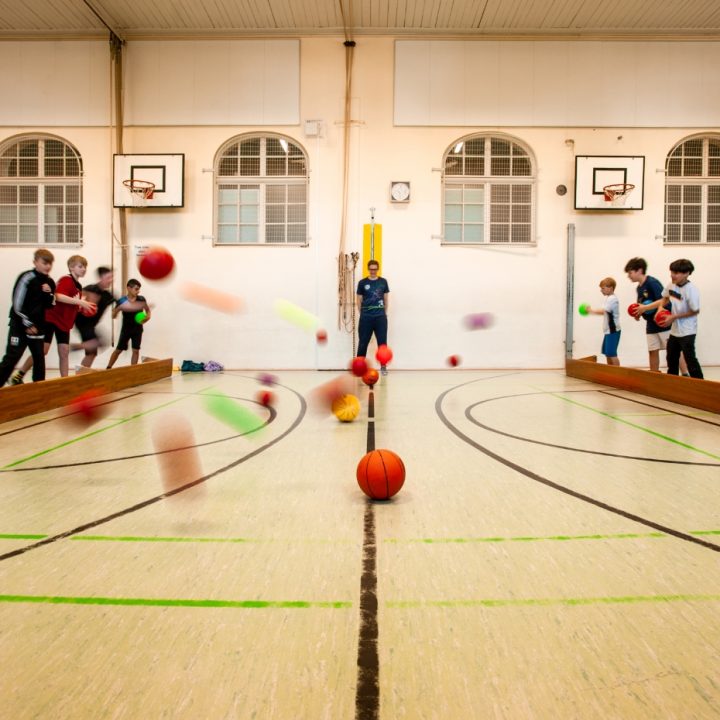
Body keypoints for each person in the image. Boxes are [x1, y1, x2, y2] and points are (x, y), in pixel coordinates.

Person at [11, 254, 95, 382]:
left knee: (64, 352)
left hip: (64, 323)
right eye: (80, 266)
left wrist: (82, 308)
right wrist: (80, 303)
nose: (84, 269)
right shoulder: (66, 280)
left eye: (85, 267)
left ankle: (64, 381)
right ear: (71, 267)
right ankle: (19, 374)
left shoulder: (78, 286)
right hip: (51, 319)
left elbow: (72, 304)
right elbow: (58, 296)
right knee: (42, 351)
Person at [0, 249, 56, 387]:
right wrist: (28, 324)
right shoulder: (26, 277)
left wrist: (49, 293)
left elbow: (50, 305)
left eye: (50, 264)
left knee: (39, 359)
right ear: (35, 262)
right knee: (12, 358)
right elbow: (17, 303)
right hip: (19, 326)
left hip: (37, 328)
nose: (48, 266)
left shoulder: (50, 282)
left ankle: (39, 391)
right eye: (44, 263)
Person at [624, 257, 688, 375]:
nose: (629, 276)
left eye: (630, 273)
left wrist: (645, 308)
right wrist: (639, 312)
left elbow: (664, 300)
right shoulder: (639, 288)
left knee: (674, 351)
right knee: (652, 350)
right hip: (651, 324)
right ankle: (654, 374)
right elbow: (642, 305)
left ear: (639, 270)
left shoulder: (652, 282)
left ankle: (685, 374)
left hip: (663, 322)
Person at [641, 259, 703, 379]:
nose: (672, 275)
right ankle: (672, 383)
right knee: (671, 358)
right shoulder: (671, 285)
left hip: (688, 331)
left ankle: (701, 385)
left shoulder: (691, 290)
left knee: (690, 359)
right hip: (675, 331)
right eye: (671, 272)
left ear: (686, 273)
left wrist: (673, 316)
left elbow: (695, 310)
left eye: (676, 273)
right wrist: (660, 309)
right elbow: (665, 297)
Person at [72, 266, 116, 369]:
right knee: (100, 342)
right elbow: (76, 299)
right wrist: (87, 301)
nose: (111, 280)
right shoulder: (90, 289)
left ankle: (82, 374)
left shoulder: (108, 295)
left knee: (92, 353)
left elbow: (123, 304)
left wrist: (139, 306)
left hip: (91, 325)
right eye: (108, 277)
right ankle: (75, 347)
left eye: (112, 277)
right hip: (83, 323)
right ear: (101, 277)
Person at [106, 279, 151, 369]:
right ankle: (108, 368)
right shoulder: (122, 301)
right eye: (136, 289)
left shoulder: (141, 299)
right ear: (129, 288)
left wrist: (146, 318)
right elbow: (113, 316)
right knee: (118, 350)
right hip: (126, 330)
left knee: (136, 350)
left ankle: (133, 371)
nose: (138, 291)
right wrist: (116, 311)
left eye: (139, 289)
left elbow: (148, 311)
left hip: (138, 329)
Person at [356, 259, 390, 375]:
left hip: (380, 317)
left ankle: (383, 367)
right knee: (363, 342)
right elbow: (359, 300)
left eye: (375, 269)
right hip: (366, 317)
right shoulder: (362, 283)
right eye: (371, 269)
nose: (373, 271)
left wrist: (383, 313)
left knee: (382, 343)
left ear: (378, 269)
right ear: (368, 269)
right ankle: (359, 368)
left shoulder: (383, 282)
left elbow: (385, 299)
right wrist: (363, 314)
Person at [586, 277, 620, 366]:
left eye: (603, 288)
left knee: (612, 354)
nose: (601, 290)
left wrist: (591, 310)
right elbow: (605, 313)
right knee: (608, 353)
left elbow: (603, 311)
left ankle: (618, 373)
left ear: (611, 288)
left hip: (613, 330)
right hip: (608, 331)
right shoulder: (609, 298)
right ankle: (611, 371)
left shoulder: (612, 299)